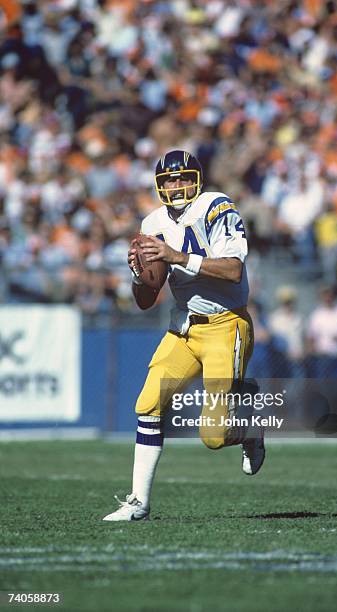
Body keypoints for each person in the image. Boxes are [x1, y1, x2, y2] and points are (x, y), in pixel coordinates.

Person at [103, 150, 264, 522]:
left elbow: (233, 271)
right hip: (184, 328)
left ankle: (251, 430)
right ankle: (138, 503)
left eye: (183, 178)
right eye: (169, 181)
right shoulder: (153, 221)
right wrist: (139, 276)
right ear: (160, 186)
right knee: (147, 404)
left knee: (213, 436)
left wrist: (176, 257)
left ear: (198, 179)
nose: (176, 186)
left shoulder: (215, 206)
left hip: (227, 325)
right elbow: (145, 300)